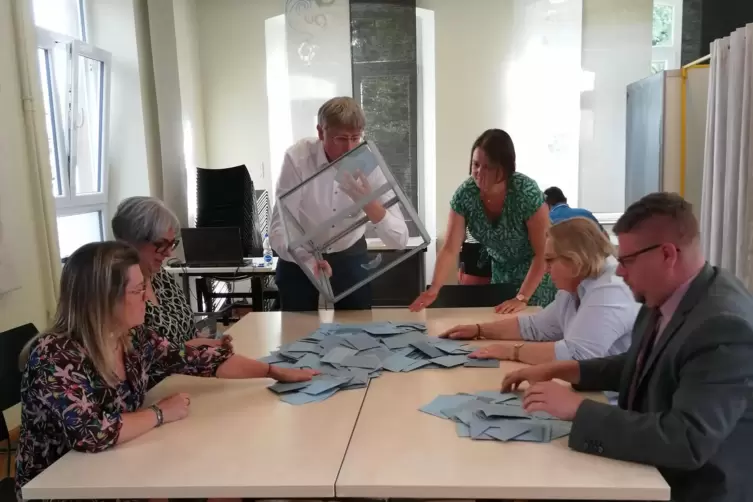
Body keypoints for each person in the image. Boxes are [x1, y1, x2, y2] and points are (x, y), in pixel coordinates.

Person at [14, 241, 317, 500]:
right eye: (138, 290)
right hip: (66, 488)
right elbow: (92, 434)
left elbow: (201, 361)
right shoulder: (55, 356)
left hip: (119, 463)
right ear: (105, 300)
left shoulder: (131, 337)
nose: (148, 297)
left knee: (224, 471)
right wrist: (160, 413)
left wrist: (273, 371)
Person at [502, 192, 753, 502]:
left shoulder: (723, 325)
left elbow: (686, 439)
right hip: (646, 471)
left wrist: (579, 409)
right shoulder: (663, 292)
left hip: (689, 488)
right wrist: (569, 369)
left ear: (667, 255)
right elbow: (644, 363)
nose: (619, 271)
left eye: (627, 261)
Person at [269, 97, 409, 311]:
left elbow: (400, 239)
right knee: (295, 332)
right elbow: (279, 228)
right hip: (300, 256)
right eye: (341, 138)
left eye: (355, 137)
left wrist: (369, 205)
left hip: (350, 252)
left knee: (357, 332)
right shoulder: (297, 158)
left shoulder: (368, 161)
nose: (350, 148)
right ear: (320, 132)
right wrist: (307, 259)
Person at [440, 217, 638, 366]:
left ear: (575, 260)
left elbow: (576, 355)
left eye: (551, 260)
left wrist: (509, 351)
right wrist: (479, 330)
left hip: (611, 403)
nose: (545, 267)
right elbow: (536, 327)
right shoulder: (576, 286)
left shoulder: (611, 288)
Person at [410, 129, 556, 314]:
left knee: (532, 330)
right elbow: (450, 248)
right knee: (500, 328)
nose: (479, 172)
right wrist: (435, 289)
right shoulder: (465, 194)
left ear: (504, 168)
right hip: (501, 277)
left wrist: (522, 297)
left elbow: (543, 252)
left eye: (488, 167)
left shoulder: (525, 192)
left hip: (537, 277)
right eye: (476, 164)